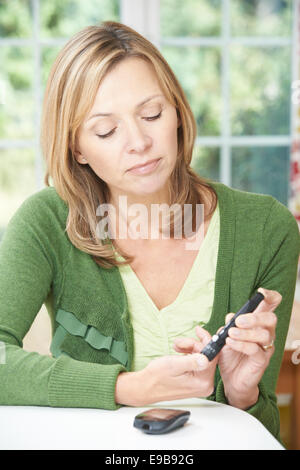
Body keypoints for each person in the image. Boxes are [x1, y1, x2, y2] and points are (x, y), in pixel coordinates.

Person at [0, 21, 299, 445]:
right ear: (77, 148)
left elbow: (263, 433)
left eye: (152, 114)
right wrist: (129, 388)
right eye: (106, 130)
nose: (139, 142)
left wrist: (242, 392)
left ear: (177, 113)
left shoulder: (267, 230)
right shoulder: (46, 222)